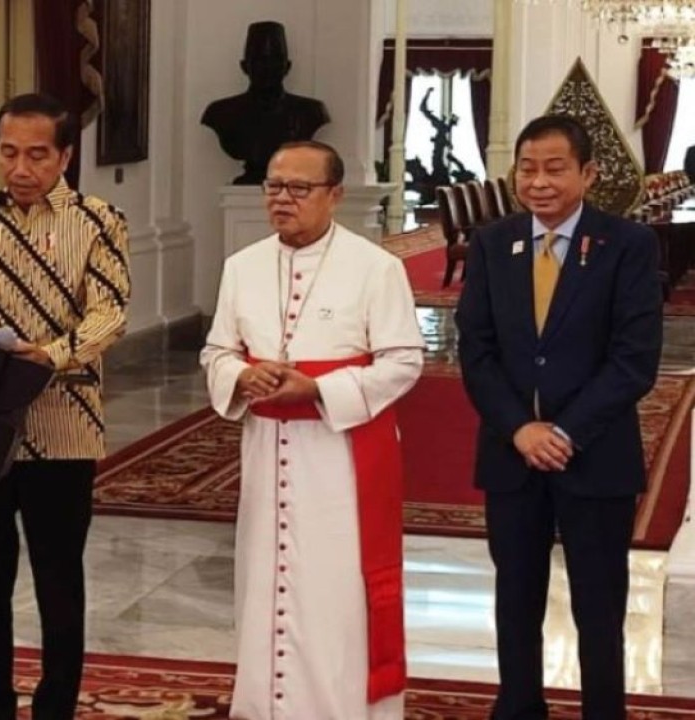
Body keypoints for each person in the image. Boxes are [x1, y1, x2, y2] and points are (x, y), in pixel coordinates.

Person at [0, 92, 130, 720]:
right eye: (9, 153)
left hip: (64, 424)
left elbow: (111, 312)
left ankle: (55, 705)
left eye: (37, 155)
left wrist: (55, 353)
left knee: (58, 578)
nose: (20, 168)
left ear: (65, 154)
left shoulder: (99, 221)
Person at [200, 140, 423, 719]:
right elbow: (216, 351)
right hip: (266, 454)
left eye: (299, 188)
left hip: (341, 460)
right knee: (264, 582)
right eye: (274, 186)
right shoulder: (241, 266)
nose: (283, 199)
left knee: (335, 593)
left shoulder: (377, 268)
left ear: (335, 196)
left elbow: (404, 361)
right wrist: (243, 374)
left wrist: (320, 390)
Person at [456, 115, 663, 719]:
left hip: (595, 457)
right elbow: (476, 349)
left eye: (554, 168)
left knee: (599, 606)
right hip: (510, 455)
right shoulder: (494, 243)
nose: (539, 182)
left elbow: (634, 361)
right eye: (527, 168)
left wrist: (565, 432)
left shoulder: (626, 244)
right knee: (514, 598)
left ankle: (604, 710)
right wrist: (520, 428)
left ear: (588, 173)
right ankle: (518, 706)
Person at [201, 21, 330, 185]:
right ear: (245, 66)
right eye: (260, 60)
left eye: (275, 60)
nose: (267, 68)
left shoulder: (310, 112)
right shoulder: (220, 113)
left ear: (287, 67)